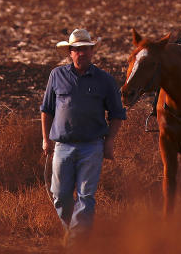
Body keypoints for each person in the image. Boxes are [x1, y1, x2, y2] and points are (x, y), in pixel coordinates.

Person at [40, 28, 126, 239]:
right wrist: (45, 139)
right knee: (60, 196)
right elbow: (46, 110)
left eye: (86, 49)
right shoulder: (56, 75)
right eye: (77, 49)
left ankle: (77, 244)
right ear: (70, 52)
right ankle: (74, 234)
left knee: (86, 197)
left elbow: (117, 114)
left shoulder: (104, 80)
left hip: (92, 146)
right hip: (62, 146)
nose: (82, 53)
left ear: (92, 51)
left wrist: (110, 141)